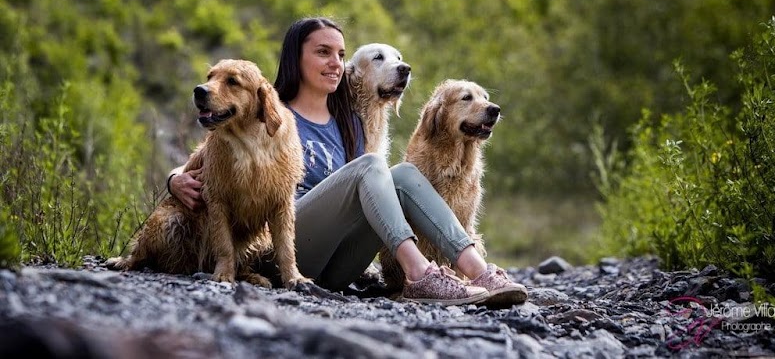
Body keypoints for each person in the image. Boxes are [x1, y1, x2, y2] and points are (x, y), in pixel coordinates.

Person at [168, 17, 527, 306]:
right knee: (373, 166)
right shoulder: (266, 113)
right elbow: (204, 161)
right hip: (284, 250)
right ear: (296, 59)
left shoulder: (350, 121)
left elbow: (375, 191)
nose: (335, 63)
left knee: (400, 174)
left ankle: (480, 273)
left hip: (336, 268)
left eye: (341, 55)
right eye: (323, 52)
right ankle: (420, 275)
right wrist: (174, 180)